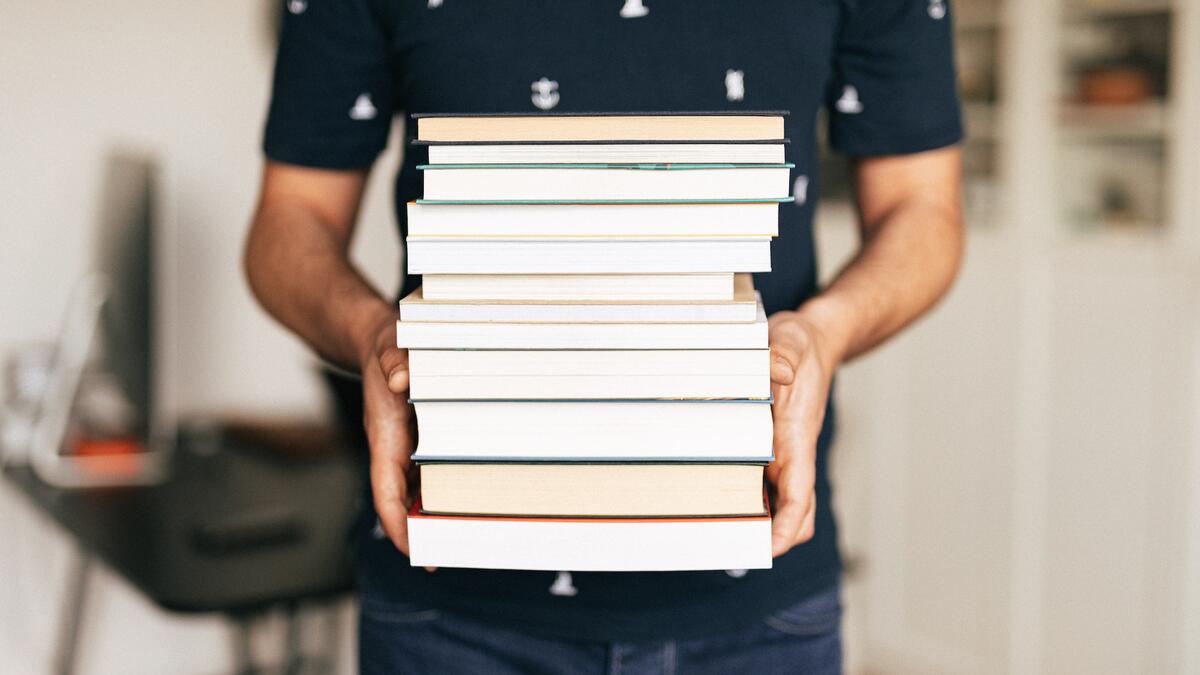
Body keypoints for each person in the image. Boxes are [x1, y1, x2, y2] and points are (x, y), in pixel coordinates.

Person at [244, 1, 964, 672]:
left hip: (756, 595)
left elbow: (923, 209)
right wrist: (372, 332)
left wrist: (826, 332)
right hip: (448, 604)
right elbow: (289, 218)